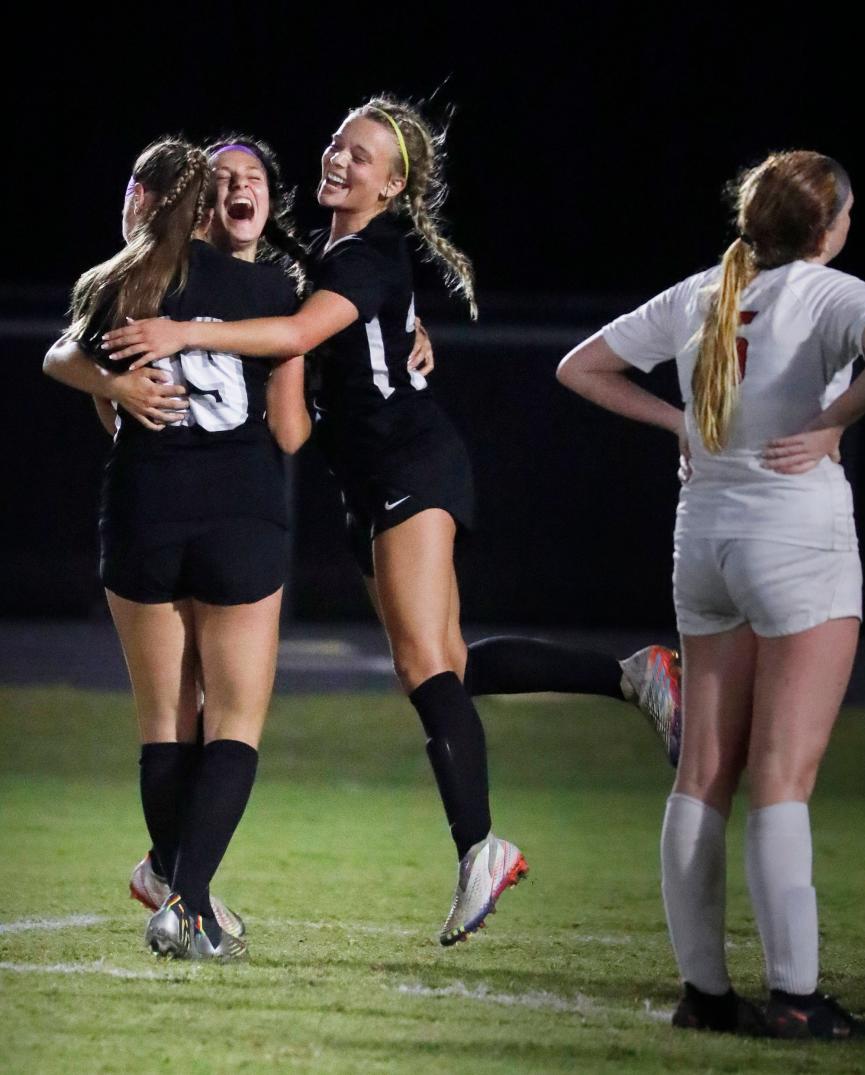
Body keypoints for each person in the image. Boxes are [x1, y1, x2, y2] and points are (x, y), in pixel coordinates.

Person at [102, 97, 683, 946]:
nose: (339, 156)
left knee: (420, 665)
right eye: (338, 140)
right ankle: (632, 674)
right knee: (444, 662)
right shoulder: (327, 253)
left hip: (409, 464)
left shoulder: (364, 257)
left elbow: (304, 326)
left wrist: (190, 328)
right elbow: (307, 366)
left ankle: (480, 845)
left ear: (396, 183)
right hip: (371, 482)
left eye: (364, 154)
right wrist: (395, 329)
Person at [557, 150, 865, 1039]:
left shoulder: (701, 292)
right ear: (826, 225)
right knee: (782, 778)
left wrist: (678, 420)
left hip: (703, 539)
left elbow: (580, 366)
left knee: (703, 774)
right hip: (795, 535)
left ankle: (706, 994)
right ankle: (796, 995)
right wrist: (833, 423)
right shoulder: (829, 292)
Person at [44, 135, 313, 959]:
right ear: (211, 208)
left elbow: (63, 360)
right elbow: (292, 431)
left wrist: (120, 387)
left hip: (143, 511)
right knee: (233, 720)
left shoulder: (124, 283)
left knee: (164, 721)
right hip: (240, 513)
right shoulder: (272, 287)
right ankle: (190, 903)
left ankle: (179, 890)